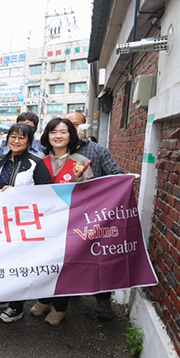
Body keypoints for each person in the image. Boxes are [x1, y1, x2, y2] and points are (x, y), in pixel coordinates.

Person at [0, 123, 52, 323]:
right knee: (2, 260)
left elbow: (45, 194)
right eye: (13, 136)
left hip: (24, 223)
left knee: (19, 264)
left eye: (22, 137)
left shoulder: (36, 163)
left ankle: (17, 307)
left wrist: (18, 195)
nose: (16, 141)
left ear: (29, 141)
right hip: (0, 222)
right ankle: (5, 297)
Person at [26, 117, 93, 326]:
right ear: (47, 136)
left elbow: (91, 196)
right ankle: (45, 300)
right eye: (53, 132)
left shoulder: (80, 162)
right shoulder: (39, 161)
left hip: (70, 225)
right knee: (45, 263)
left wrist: (79, 178)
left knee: (64, 265)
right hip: (44, 224)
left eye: (63, 132)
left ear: (70, 136)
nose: (58, 136)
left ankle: (60, 307)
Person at [66, 112, 123, 320]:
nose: (71, 129)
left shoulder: (99, 151)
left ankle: (103, 299)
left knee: (98, 256)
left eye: (76, 124)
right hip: (68, 213)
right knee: (71, 254)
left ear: (85, 128)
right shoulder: (61, 151)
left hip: (95, 215)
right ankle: (71, 290)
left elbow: (115, 176)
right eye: (67, 125)